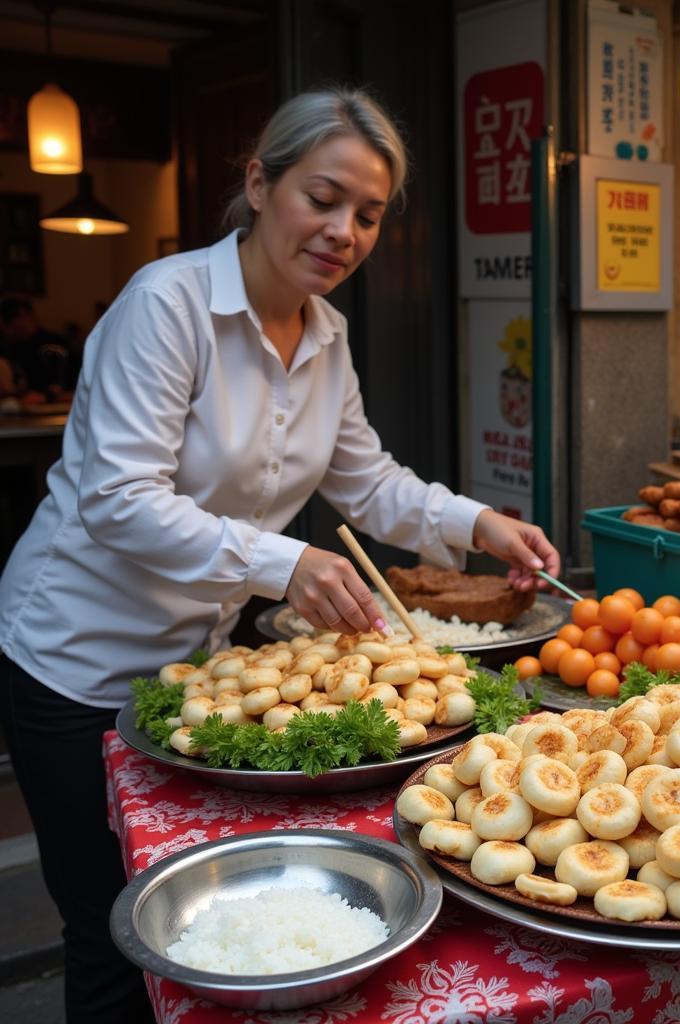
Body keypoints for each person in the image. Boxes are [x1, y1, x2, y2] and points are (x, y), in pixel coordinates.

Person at [0, 87, 560, 1024]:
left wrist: (481, 525)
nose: (344, 231)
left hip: (197, 675)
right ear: (259, 184)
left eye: (369, 215)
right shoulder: (166, 305)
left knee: (185, 917)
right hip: (76, 659)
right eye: (323, 197)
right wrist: (283, 563)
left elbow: (369, 482)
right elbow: (118, 500)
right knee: (106, 931)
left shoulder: (327, 335)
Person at [0, 297, 74, 399]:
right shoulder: (13, 347)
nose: (4, 328)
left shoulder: (54, 345)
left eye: (7, 321)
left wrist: (45, 396)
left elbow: (64, 383)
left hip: (57, 407)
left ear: (24, 315)